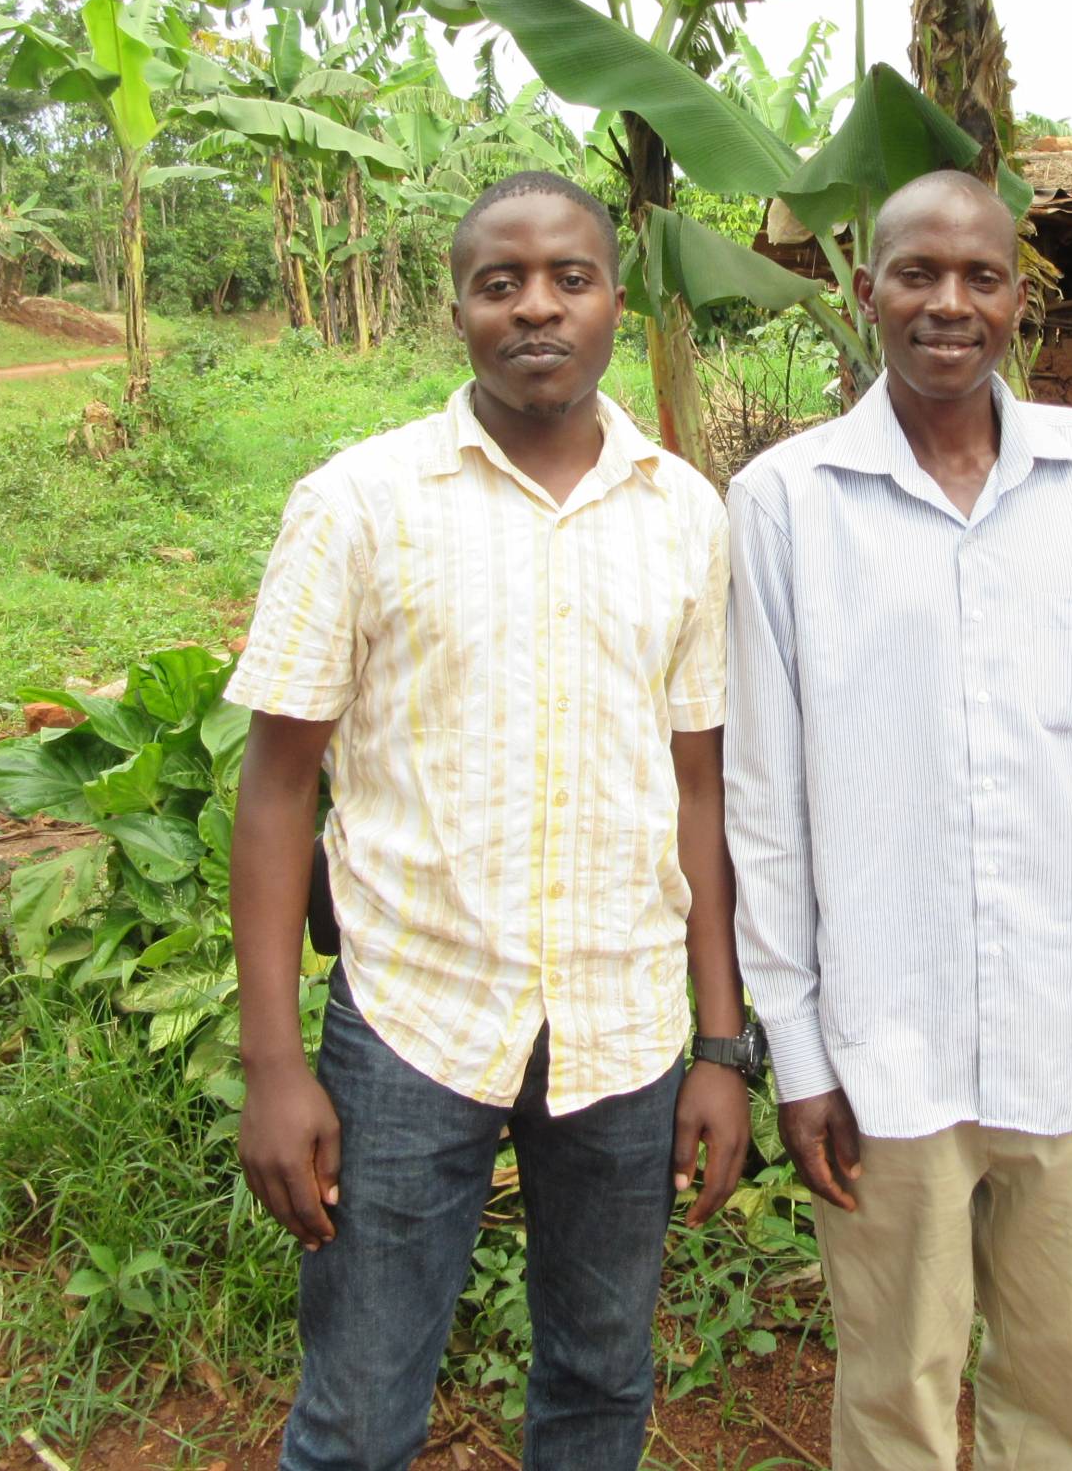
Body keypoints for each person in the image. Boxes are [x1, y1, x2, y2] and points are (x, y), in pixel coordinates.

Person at [224, 170, 755, 1471]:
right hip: (411, 1027)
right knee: (356, 1410)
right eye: (500, 281)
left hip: (623, 1038)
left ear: (614, 305)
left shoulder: (685, 515)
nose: (536, 307)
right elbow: (279, 783)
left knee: (597, 1380)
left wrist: (722, 1044)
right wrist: (276, 1065)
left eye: (569, 278)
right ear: (455, 306)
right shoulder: (358, 503)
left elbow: (697, 787)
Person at [725, 169, 1072, 1470]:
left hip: (1069, 1018)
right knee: (895, 1384)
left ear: (1018, 300)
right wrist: (799, 1047)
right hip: (889, 1038)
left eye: (981, 276)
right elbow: (764, 801)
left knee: (1059, 1379)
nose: (949, 302)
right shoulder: (785, 503)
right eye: (917, 273)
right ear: (866, 289)